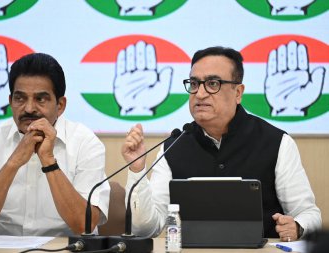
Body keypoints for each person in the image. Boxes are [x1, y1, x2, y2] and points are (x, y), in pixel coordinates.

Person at [121, 46, 321, 241]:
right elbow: (147, 229)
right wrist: (137, 169)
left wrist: (297, 226)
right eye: (194, 83)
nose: (199, 93)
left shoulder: (276, 142)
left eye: (213, 84)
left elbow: (309, 214)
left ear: (238, 93)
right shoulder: (173, 146)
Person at [0, 53, 109, 237]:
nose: (29, 108)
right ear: (10, 101)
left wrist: (49, 161)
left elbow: (84, 225)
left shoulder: (85, 142)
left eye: (40, 99)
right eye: (20, 98)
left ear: (60, 105)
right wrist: (14, 162)